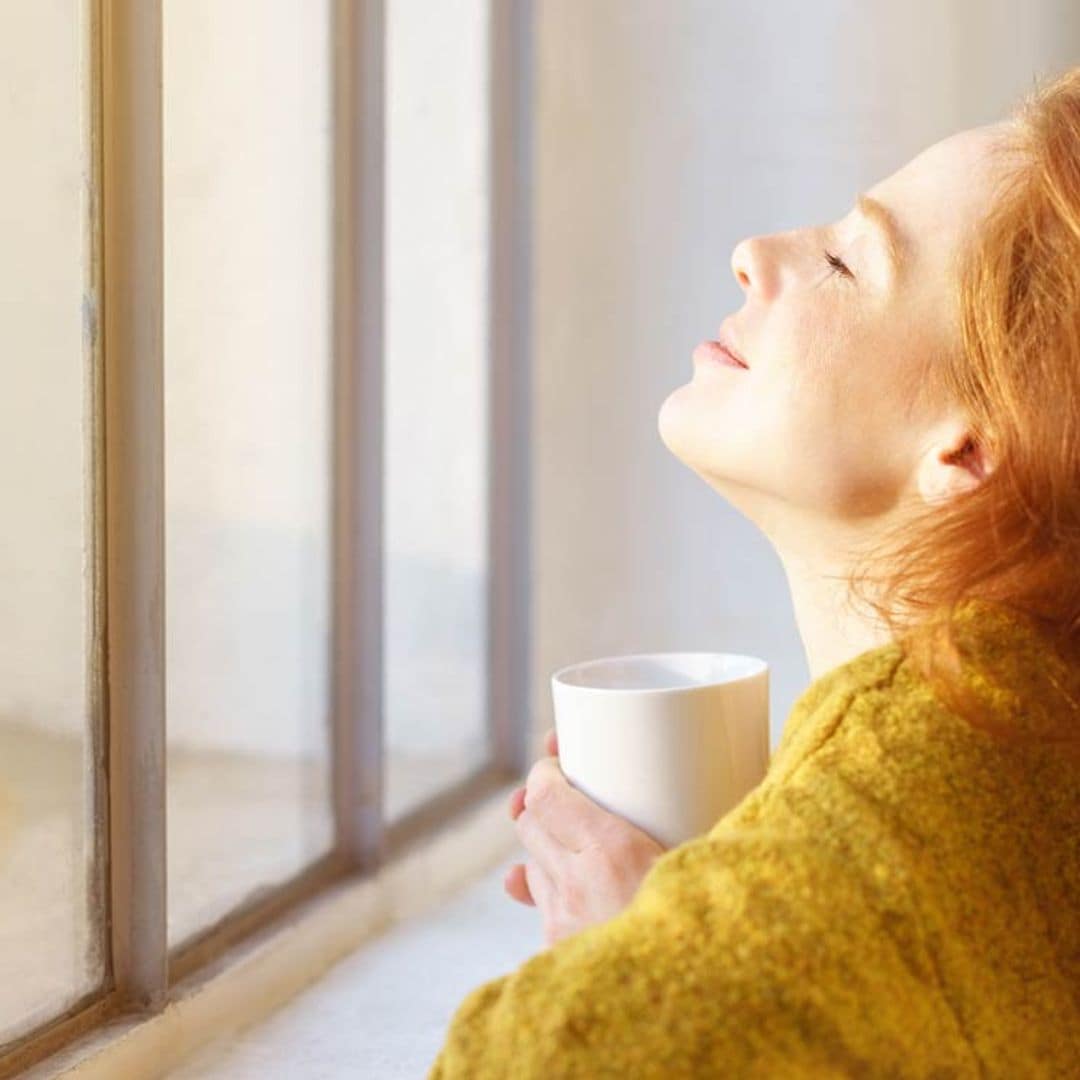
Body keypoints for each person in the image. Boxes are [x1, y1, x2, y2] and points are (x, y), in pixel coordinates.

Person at [429, 65, 1080, 1078]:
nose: (756, 255)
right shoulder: (1034, 724)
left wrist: (653, 966)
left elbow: (535, 1058)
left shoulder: (905, 792)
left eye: (847, 261)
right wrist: (691, 912)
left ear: (965, 450)